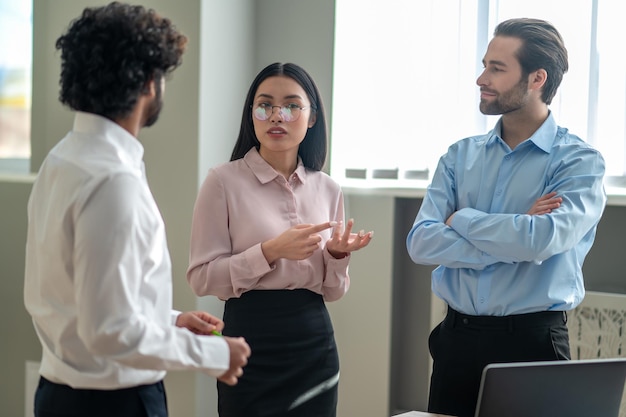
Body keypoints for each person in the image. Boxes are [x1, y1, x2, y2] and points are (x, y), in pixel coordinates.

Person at [23, 3, 251, 417]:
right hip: (113, 405)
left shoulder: (62, 161)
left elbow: (86, 301)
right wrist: (211, 356)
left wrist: (169, 320)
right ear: (149, 83)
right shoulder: (112, 181)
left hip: (60, 395)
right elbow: (109, 331)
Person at [406, 18, 606, 417]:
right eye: (484, 65)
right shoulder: (458, 156)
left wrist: (462, 218)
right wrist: (515, 230)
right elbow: (421, 243)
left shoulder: (579, 162)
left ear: (536, 78)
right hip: (455, 342)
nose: (482, 78)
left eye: (497, 68)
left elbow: (540, 240)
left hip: (532, 345)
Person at [186, 62, 373, 417]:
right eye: (265, 105)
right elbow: (200, 276)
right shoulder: (222, 182)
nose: (277, 116)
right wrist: (269, 252)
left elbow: (333, 292)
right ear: (251, 114)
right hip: (248, 340)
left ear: (312, 117)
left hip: (313, 343)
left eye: (291, 106)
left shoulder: (328, 188)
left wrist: (335, 255)